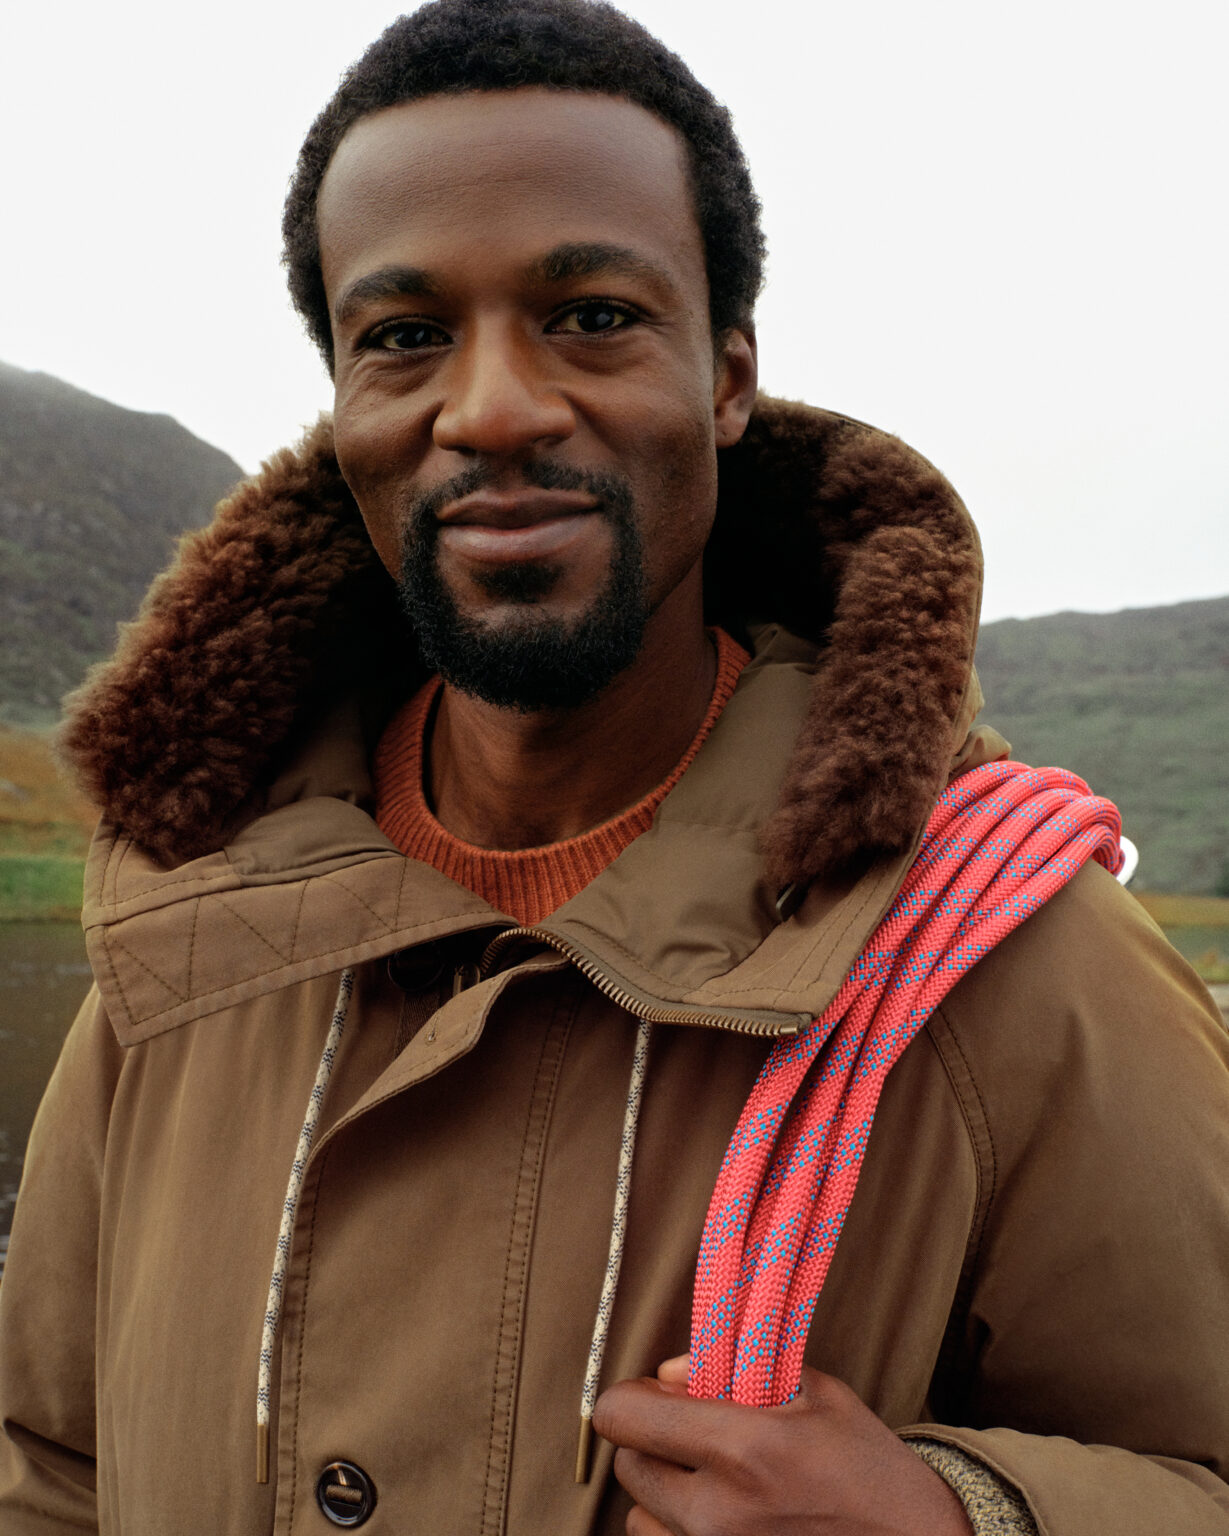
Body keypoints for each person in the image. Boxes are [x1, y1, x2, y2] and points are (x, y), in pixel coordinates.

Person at [2, 1, 1227, 1532]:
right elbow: (48, 1466)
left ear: (725, 378)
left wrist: (957, 1516)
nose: (494, 407)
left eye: (588, 314)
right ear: (344, 405)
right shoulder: (186, 933)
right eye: (403, 337)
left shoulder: (1019, 965)